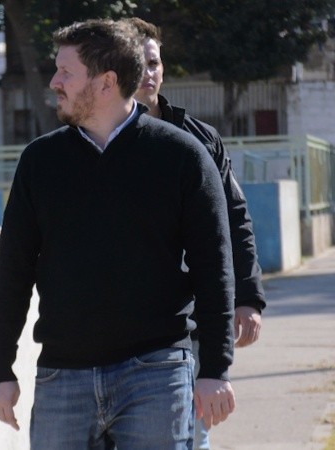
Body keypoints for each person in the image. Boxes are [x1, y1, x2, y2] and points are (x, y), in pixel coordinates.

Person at [0, 19, 236, 449]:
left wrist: (215, 368)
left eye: (66, 71)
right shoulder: (40, 162)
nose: (54, 82)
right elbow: (13, 270)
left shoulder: (182, 156)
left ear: (106, 82)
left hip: (157, 374)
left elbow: (215, 267)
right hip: (63, 377)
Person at [125, 17, 267, 449]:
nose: (149, 72)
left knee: (191, 433)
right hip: (118, 327)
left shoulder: (200, 139)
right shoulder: (93, 144)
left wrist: (247, 296)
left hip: (191, 322)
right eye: (140, 63)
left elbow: (234, 219)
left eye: (155, 62)